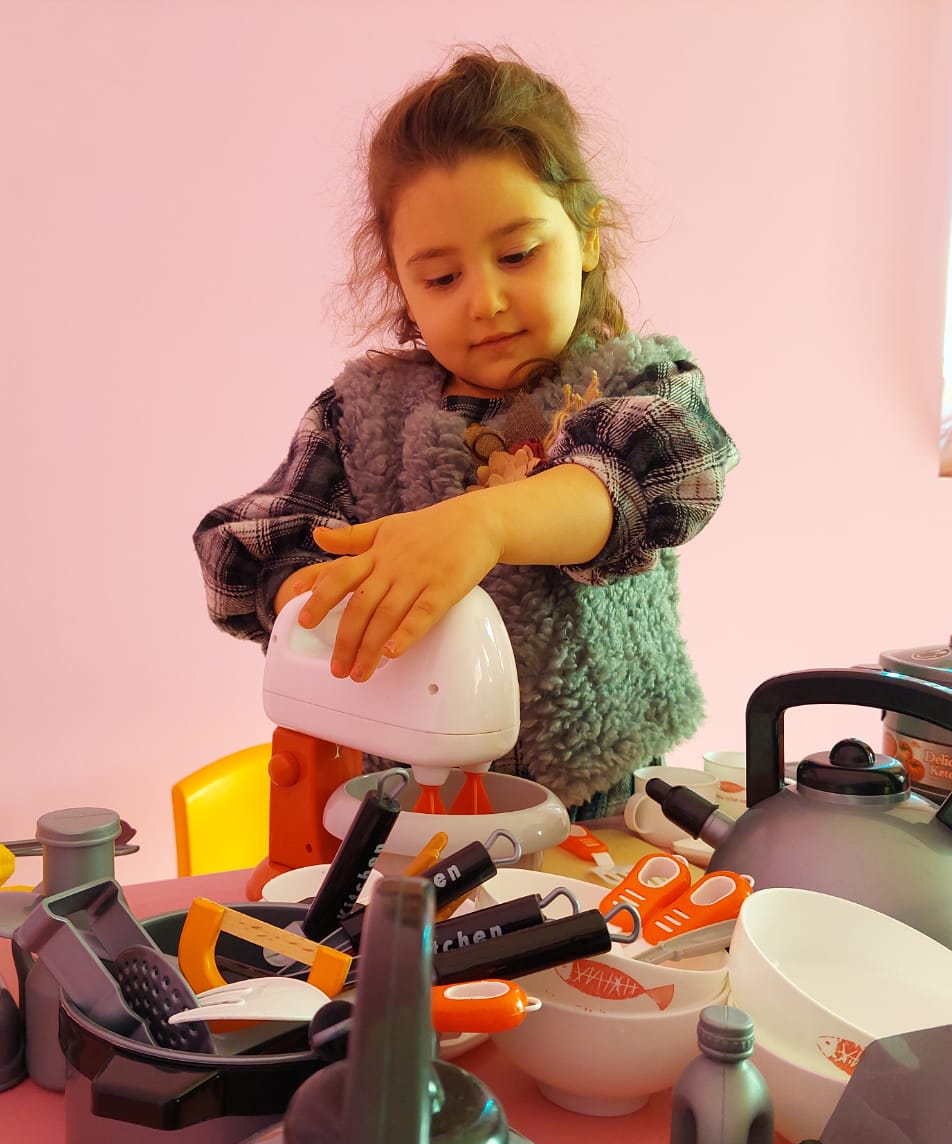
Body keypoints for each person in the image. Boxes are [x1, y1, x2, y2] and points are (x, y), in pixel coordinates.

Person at [194, 49, 738, 820]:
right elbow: (241, 545)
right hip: (406, 807)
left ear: (586, 237)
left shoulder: (635, 382)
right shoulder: (361, 412)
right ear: (402, 286)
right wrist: (315, 590)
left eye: (517, 255)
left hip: (599, 810)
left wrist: (484, 523)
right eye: (442, 278)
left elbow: (669, 468)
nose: (485, 301)